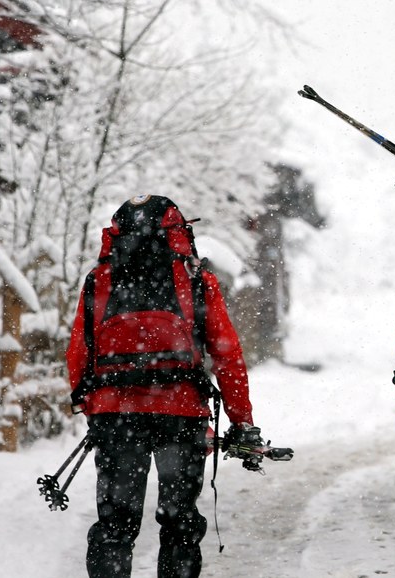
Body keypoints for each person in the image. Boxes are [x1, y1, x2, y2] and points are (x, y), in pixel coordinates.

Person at [65, 194, 267, 578]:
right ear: (178, 233)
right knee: (179, 523)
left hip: (116, 413)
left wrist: (92, 404)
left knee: (115, 525)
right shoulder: (196, 280)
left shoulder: (99, 281)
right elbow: (227, 355)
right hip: (181, 413)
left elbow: (78, 350)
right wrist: (242, 422)